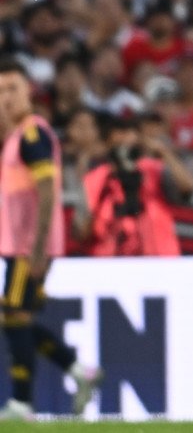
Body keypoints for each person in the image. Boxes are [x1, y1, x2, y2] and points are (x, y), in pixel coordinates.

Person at [0, 59, 102, 420]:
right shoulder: (17, 136)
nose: (6, 97)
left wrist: (39, 247)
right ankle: (78, 370)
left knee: (13, 316)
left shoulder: (32, 134)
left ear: (29, 91)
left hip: (27, 246)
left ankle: (22, 403)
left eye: (13, 88)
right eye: (1, 91)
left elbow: (47, 190)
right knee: (18, 317)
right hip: (22, 244)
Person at [79, 114, 193, 256]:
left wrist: (164, 152)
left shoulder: (153, 169)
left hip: (157, 257)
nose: (124, 150)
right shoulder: (96, 178)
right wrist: (103, 196)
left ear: (139, 142)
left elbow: (188, 188)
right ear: (106, 144)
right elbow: (80, 233)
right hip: (111, 260)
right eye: (118, 144)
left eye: (129, 141)